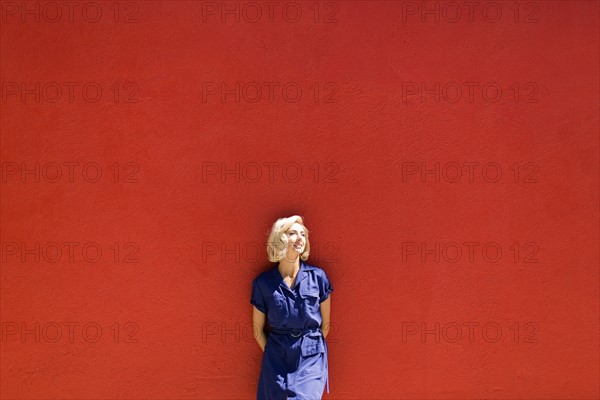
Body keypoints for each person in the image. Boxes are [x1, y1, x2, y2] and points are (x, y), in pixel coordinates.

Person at [250, 215, 333, 399]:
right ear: (280, 239)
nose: (300, 238)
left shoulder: (318, 278)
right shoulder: (263, 284)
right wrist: (275, 351)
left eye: (303, 234)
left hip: (310, 355)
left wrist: (309, 344)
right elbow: (257, 330)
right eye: (293, 233)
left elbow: (325, 325)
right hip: (276, 356)